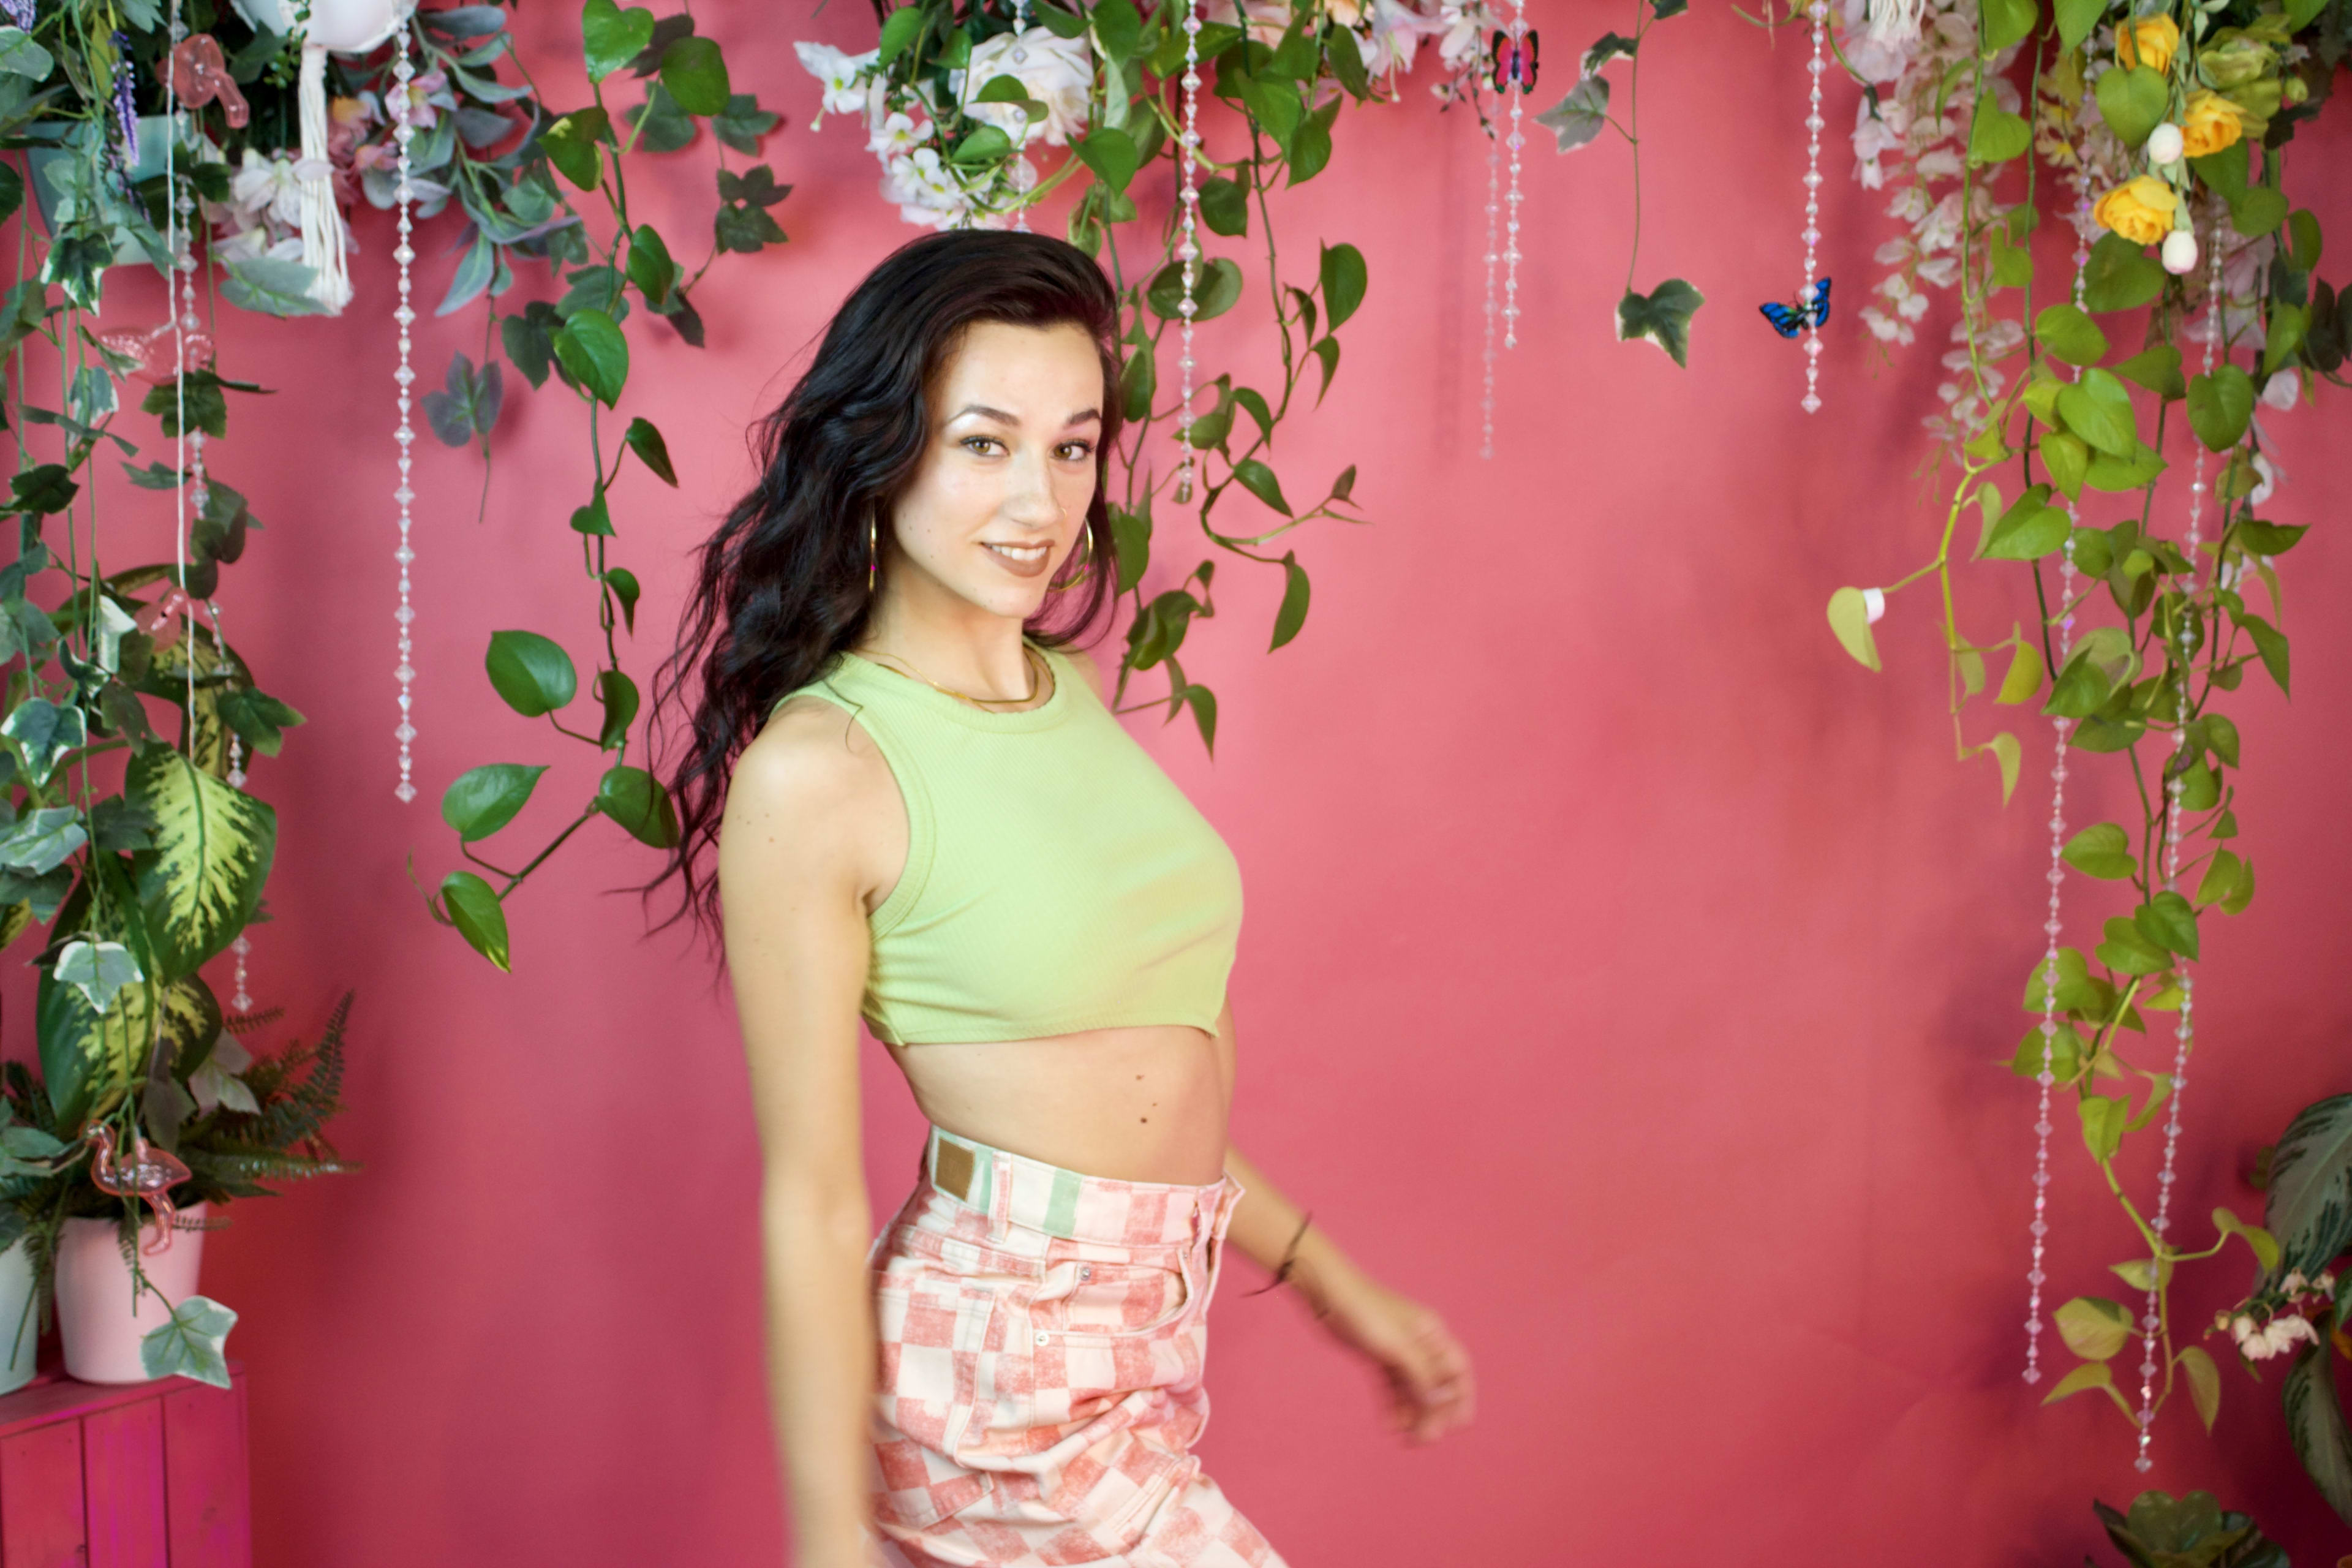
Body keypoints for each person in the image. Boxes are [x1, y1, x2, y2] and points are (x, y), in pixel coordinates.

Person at [655, 230, 1474, 1568]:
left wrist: (1337, 1281)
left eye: (1073, 446)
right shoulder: (825, 771)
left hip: (1145, 1343)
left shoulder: (1066, 698)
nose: (1040, 500)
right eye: (984, 442)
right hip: (1001, 1360)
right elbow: (810, 1197)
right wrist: (826, 1544)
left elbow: (1133, 1093)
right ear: (884, 450)